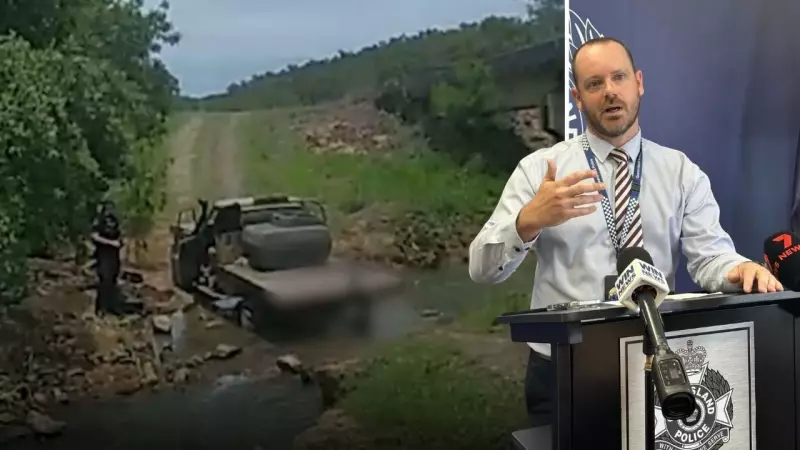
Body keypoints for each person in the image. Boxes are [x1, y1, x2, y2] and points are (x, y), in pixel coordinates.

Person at [467, 36, 783, 427]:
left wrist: (737, 270)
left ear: (639, 83)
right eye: (594, 84)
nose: (610, 92)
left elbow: (711, 257)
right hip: (563, 367)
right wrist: (527, 221)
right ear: (577, 98)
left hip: (654, 361)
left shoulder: (681, 172)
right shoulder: (540, 171)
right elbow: (481, 268)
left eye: (618, 78)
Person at [91, 200, 124, 316]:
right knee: (104, 279)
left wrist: (119, 243)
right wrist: (110, 243)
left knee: (113, 279)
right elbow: (94, 236)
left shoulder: (115, 221)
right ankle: (101, 308)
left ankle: (112, 307)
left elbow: (120, 236)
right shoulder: (99, 221)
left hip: (114, 255)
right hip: (103, 254)